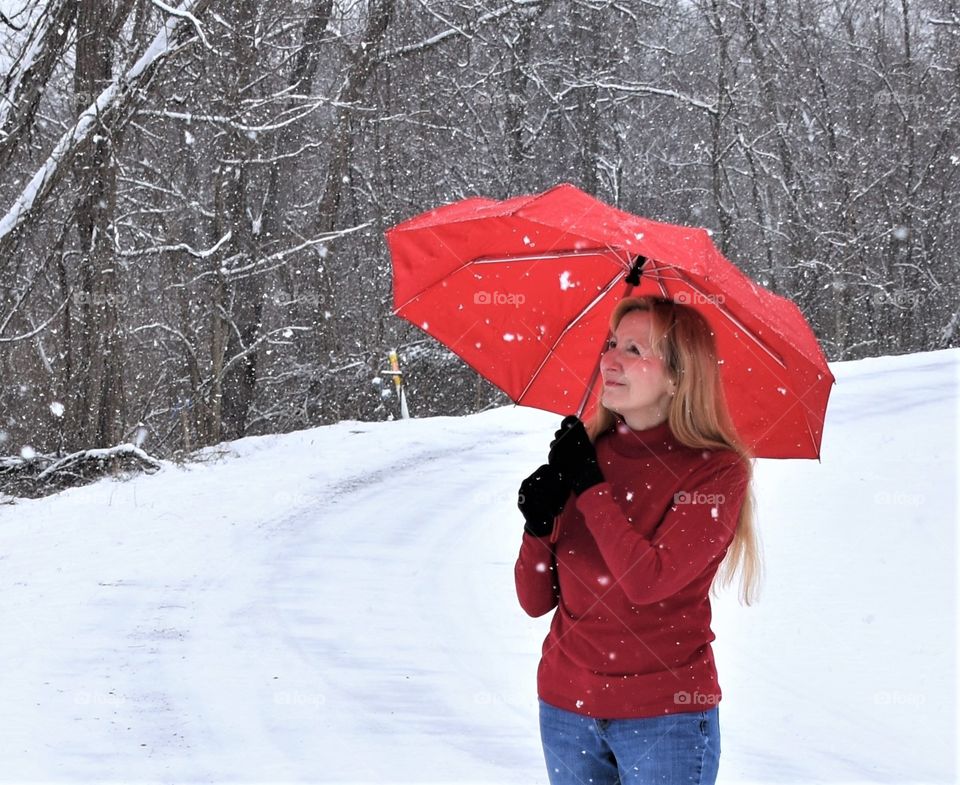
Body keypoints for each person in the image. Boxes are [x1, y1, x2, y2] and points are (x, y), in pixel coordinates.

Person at [514, 295, 761, 785]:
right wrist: (537, 526)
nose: (609, 360)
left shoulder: (716, 472)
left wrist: (590, 489)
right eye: (610, 344)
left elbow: (648, 582)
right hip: (567, 709)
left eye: (633, 349)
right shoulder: (585, 453)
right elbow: (534, 600)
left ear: (677, 376)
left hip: (664, 717)